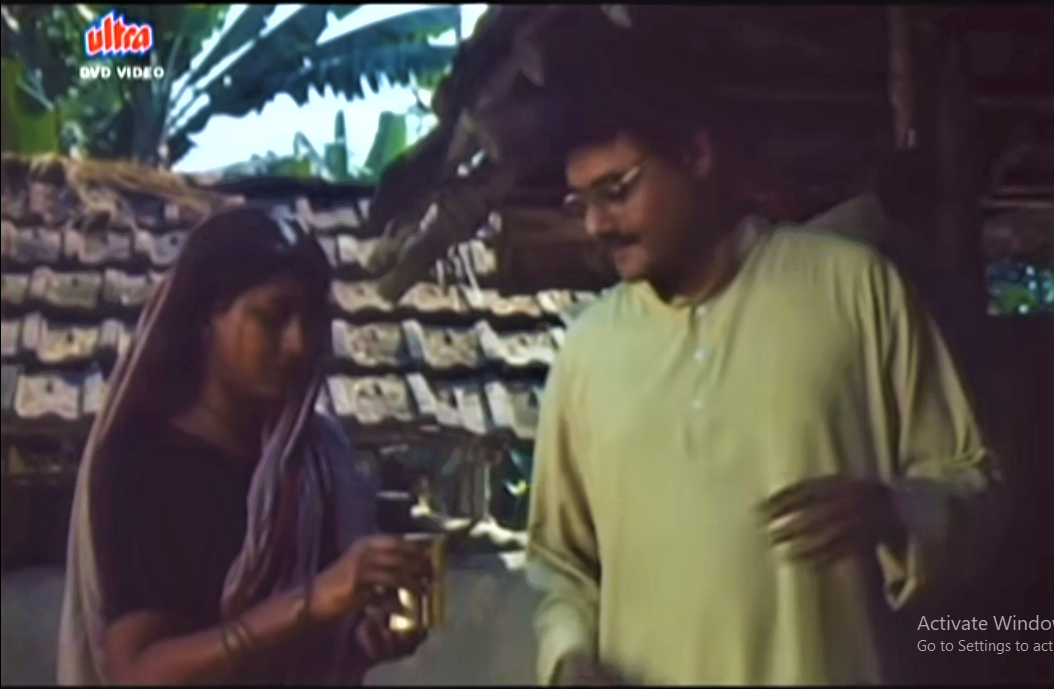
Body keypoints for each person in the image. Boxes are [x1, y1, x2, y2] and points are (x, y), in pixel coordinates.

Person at [523, 28, 1001, 686]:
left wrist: (900, 510)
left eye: (618, 189)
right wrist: (569, 657)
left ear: (696, 153)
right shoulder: (586, 352)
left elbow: (976, 484)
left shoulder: (853, 290)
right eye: (581, 203)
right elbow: (561, 563)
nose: (597, 224)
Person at [57, 207, 432, 685]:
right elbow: (136, 674)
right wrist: (311, 601)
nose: (298, 344)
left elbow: (311, 644)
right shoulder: (143, 462)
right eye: (273, 318)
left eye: (311, 320)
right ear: (207, 317)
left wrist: (359, 639)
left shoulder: (317, 462)